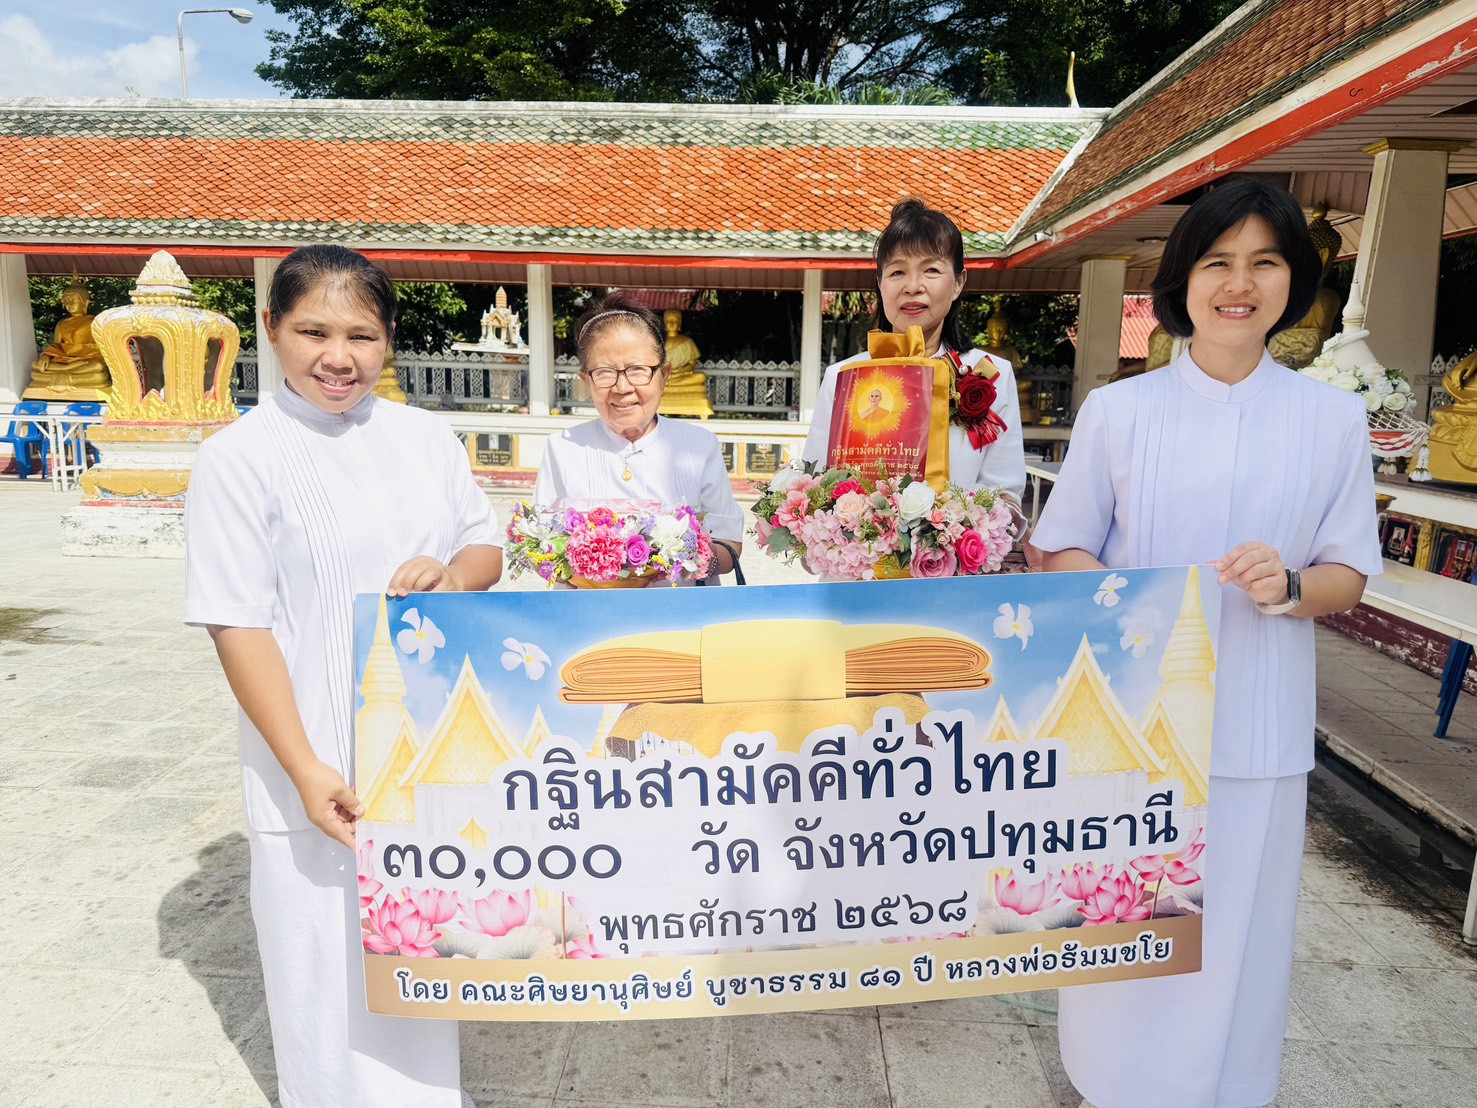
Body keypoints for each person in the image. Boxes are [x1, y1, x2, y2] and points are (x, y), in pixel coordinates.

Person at [1031, 176, 1381, 1108]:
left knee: (1235, 943)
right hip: (1132, 733)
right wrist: (1125, 602)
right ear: (1182, 280)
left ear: (1294, 282)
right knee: (1125, 932)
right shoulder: (1121, 411)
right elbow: (1059, 546)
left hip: (1256, 731)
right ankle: (1106, 1089)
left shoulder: (1331, 420)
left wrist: (1291, 585)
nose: (1239, 282)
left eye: (1265, 262)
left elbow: (1346, 571)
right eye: (1218, 261)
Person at [183, 245, 503, 1108]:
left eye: (362, 334)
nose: (339, 356)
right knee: (321, 977)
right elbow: (237, 622)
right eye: (314, 331)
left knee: (417, 964)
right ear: (270, 329)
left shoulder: (425, 438)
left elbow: (484, 544)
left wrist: (451, 573)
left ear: (389, 339)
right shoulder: (238, 457)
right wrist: (304, 768)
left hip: (419, 755)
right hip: (313, 758)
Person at [801, 198, 1025, 503]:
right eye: (897, 273)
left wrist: (947, 531)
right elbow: (817, 486)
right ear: (879, 283)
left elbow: (1004, 495)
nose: (913, 286)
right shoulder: (843, 376)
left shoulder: (989, 374)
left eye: (931, 269)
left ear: (959, 282)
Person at [535, 292, 743, 580]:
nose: (622, 387)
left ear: (664, 375)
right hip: (590, 613)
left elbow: (729, 543)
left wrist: (683, 556)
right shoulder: (562, 448)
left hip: (682, 614)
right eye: (605, 373)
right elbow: (538, 547)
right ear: (585, 380)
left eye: (637, 370)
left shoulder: (699, 446)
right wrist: (579, 560)